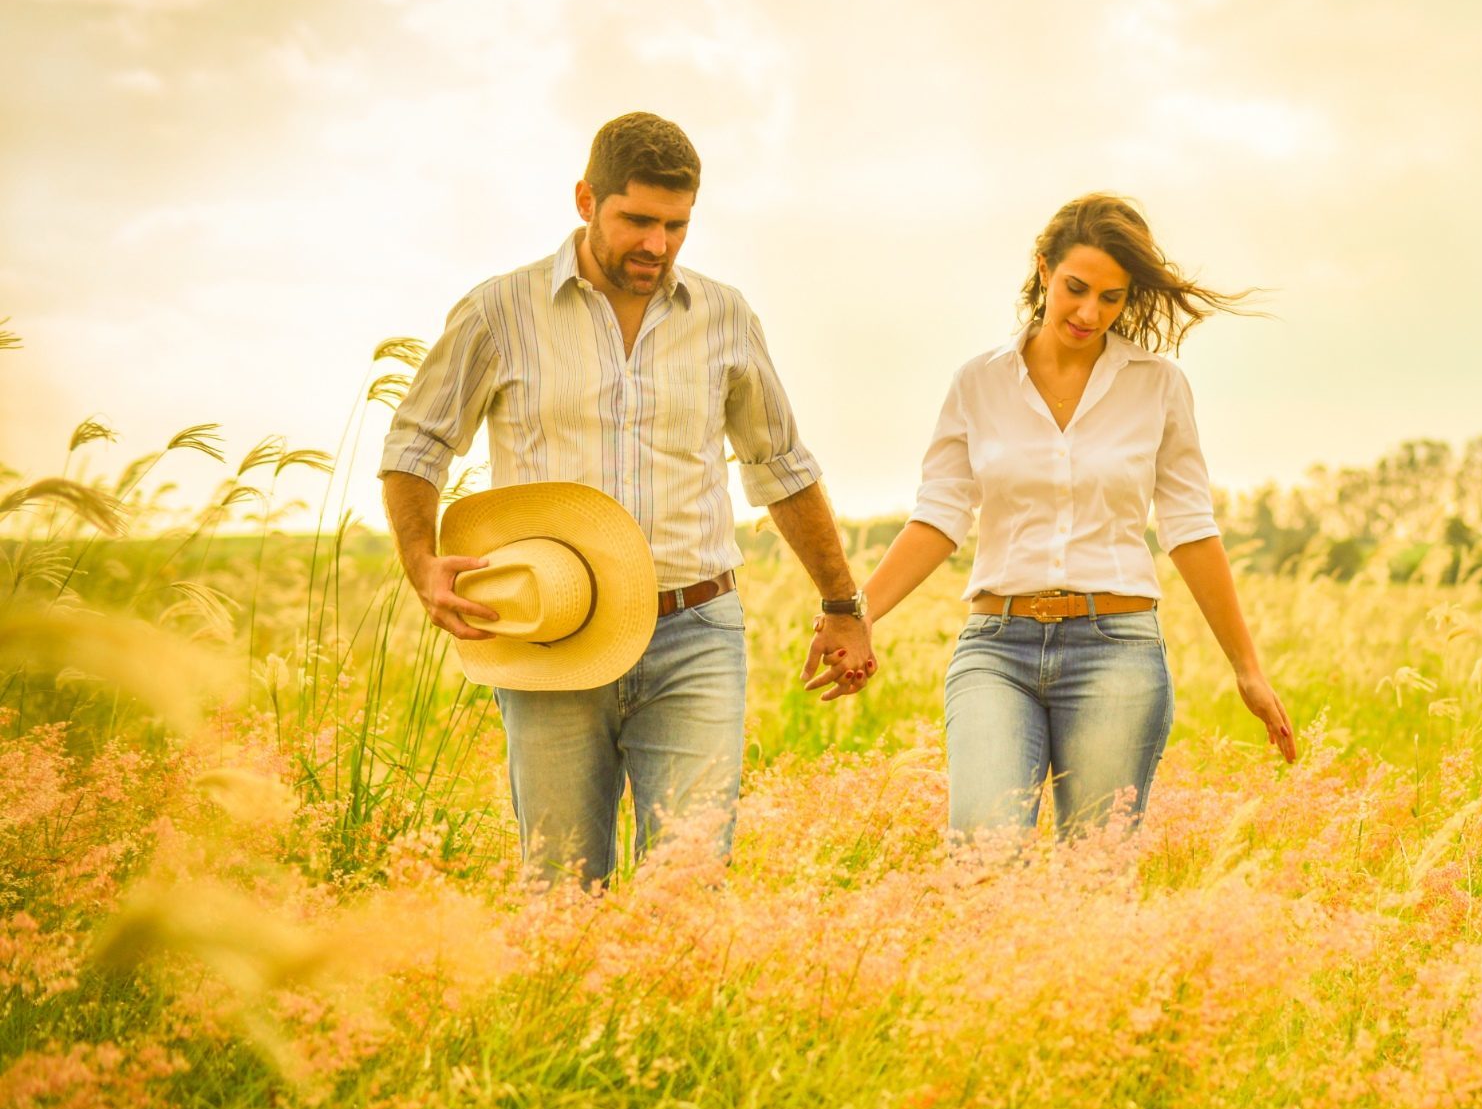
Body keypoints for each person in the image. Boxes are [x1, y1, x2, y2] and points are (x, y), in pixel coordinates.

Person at [379, 112, 874, 886]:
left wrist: (843, 603)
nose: (657, 245)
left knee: (688, 882)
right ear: (586, 199)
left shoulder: (725, 315)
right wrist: (420, 561)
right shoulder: (498, 312)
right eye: (637, 220)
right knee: (560, 887)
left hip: (696, 629)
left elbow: (779, 463)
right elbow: (416, 445)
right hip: (551, 633)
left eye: (676, 226)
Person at [863, 193, 1296, 841]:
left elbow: (1190, 531)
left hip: (1116, 650)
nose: (1090, 312)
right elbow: (939, 517)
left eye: (1113, 298)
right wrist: (856, 613)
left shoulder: (1158, 386)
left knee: (1094, 875)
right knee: (983, 851)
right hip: (996, 650)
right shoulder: (977, 383)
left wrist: (1248, 669)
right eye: (1076, 288)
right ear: (1043, 269)